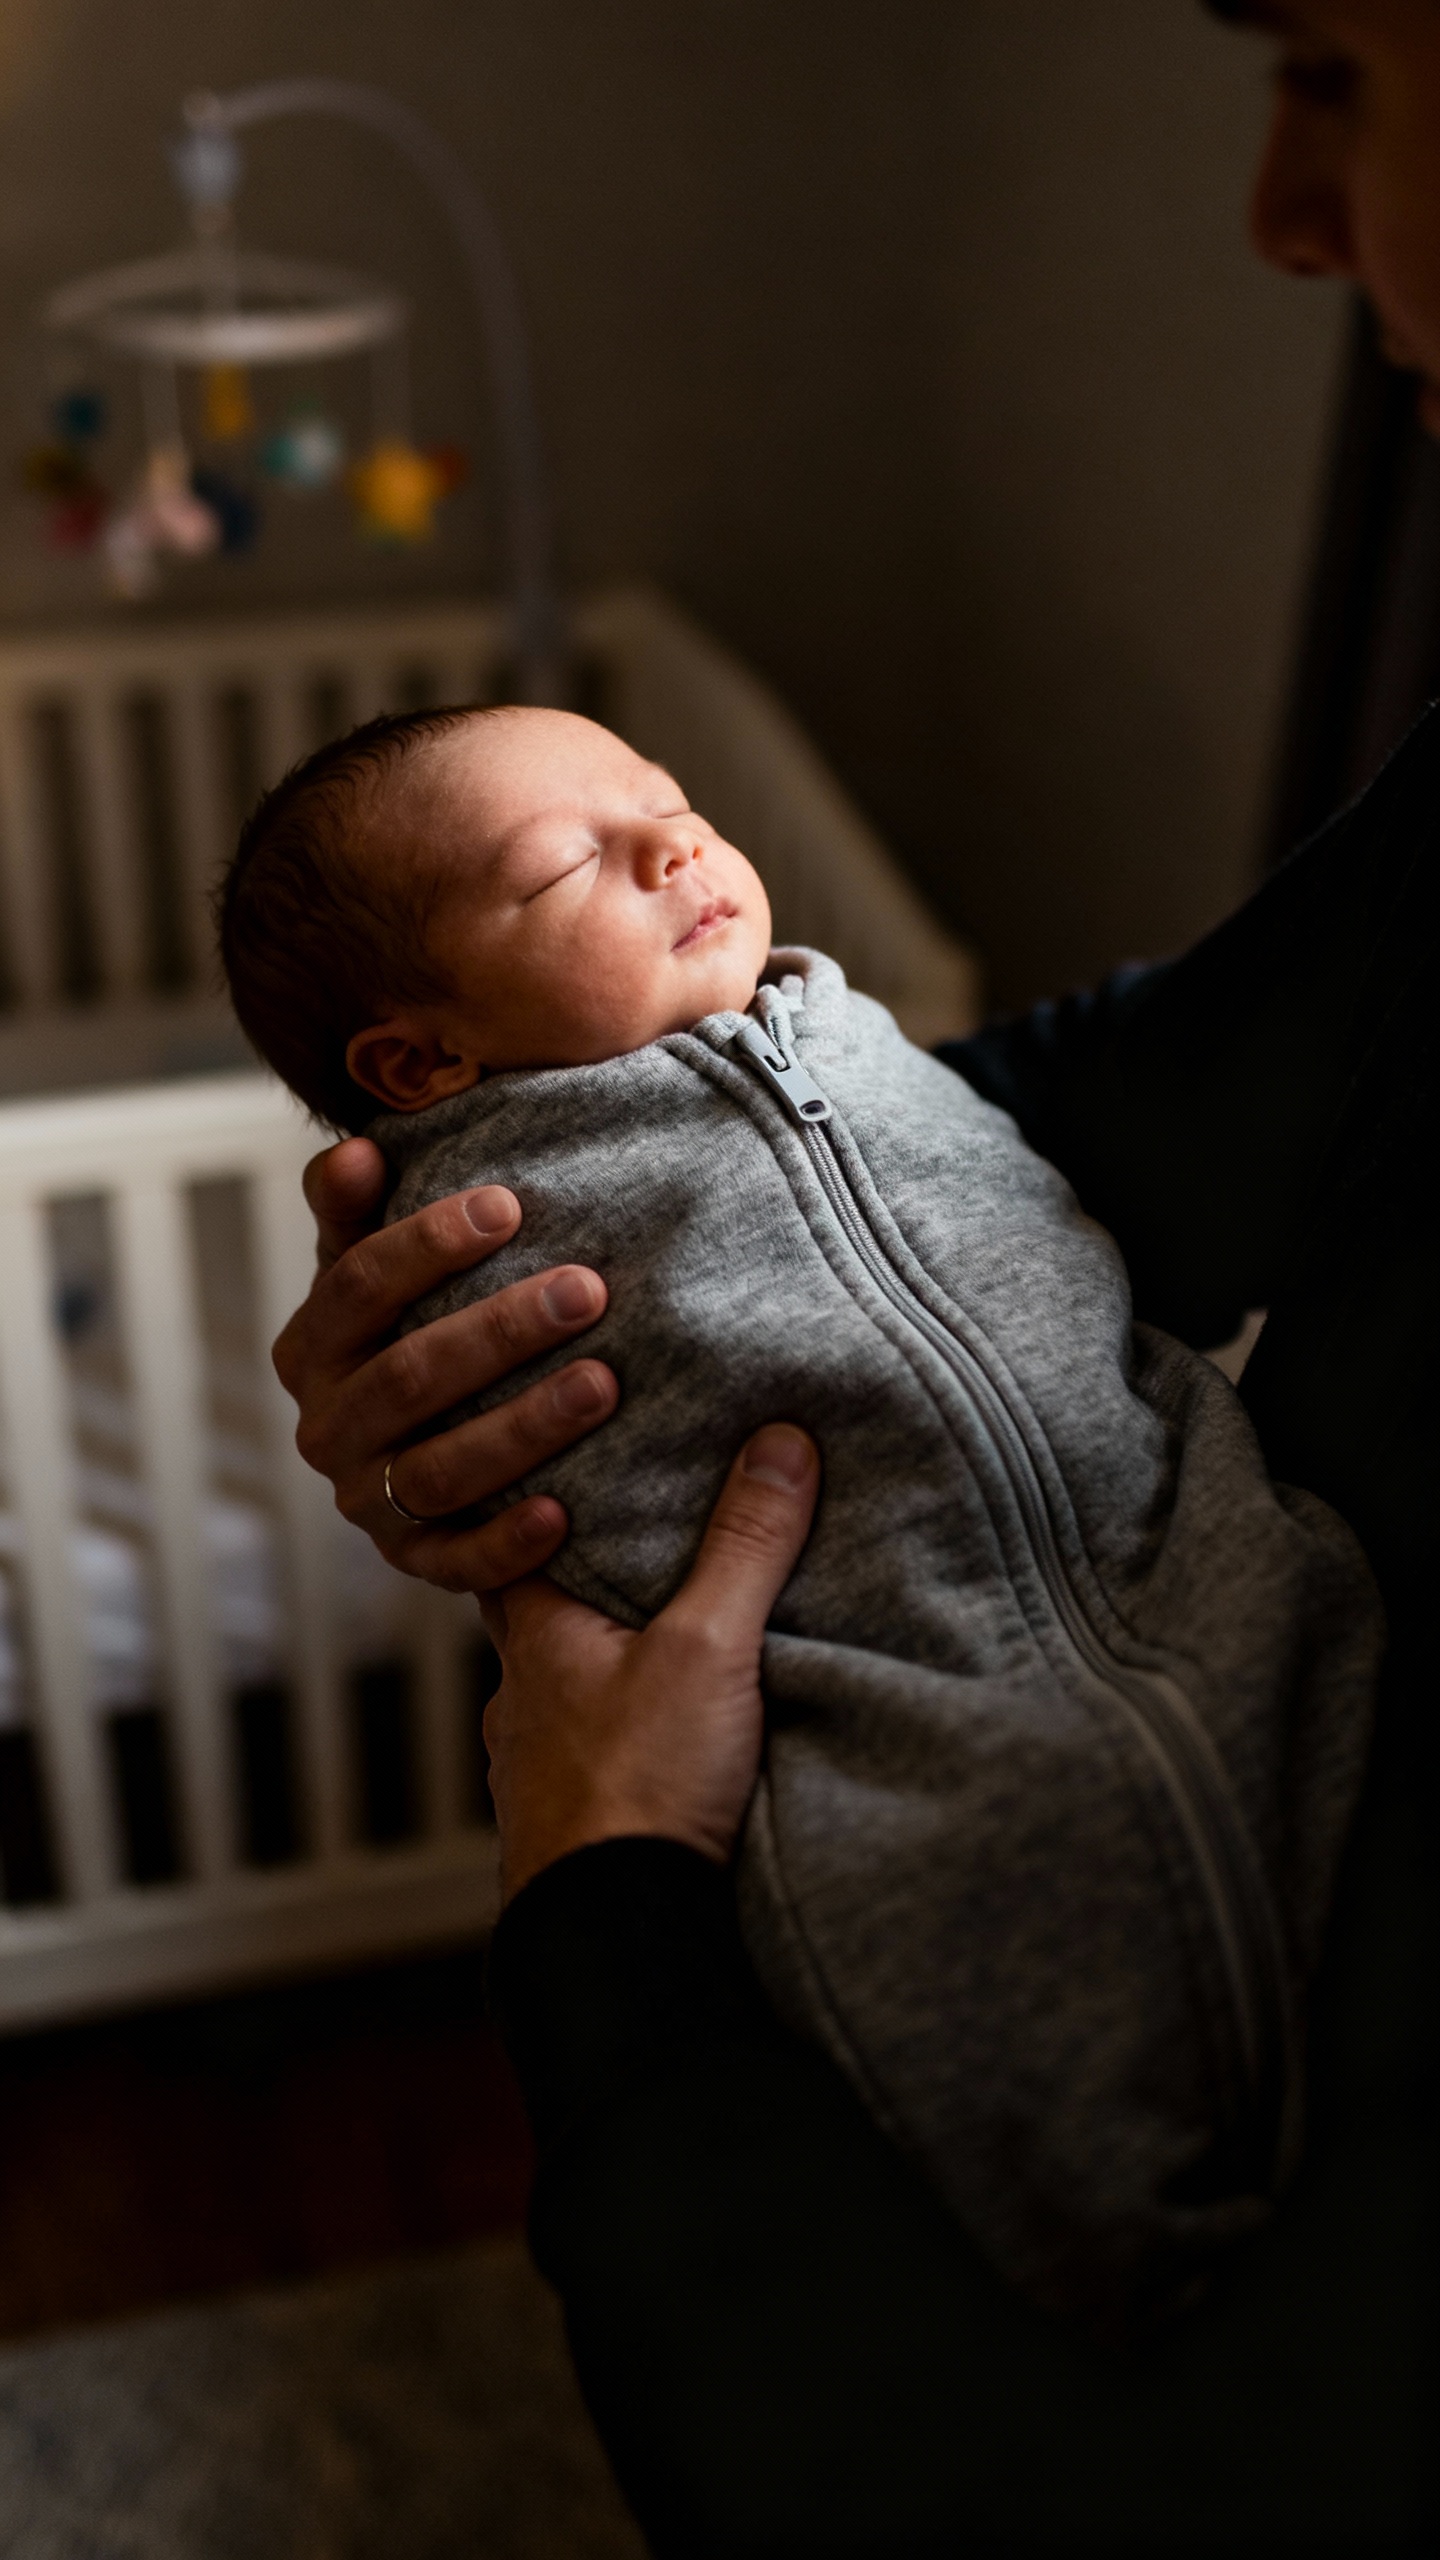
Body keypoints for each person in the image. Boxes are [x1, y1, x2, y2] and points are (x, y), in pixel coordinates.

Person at [273, 3, 1438, 2548]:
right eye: (593, 856)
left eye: (1340, 71)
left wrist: (602, 1899)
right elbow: (1144, 1100)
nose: (1274, 212)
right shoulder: (544, 1167)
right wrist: (453, 1376)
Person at [222, 701, 1379, 2332]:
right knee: (991, 2085)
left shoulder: (846, 1039)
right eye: (572, 860)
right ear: (421, 1063)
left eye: (669, 802)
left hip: (1219, 1582)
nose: (676, 844)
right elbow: (1135, 1103)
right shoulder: (481, 1208)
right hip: (888, 1715)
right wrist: (426, 1428)